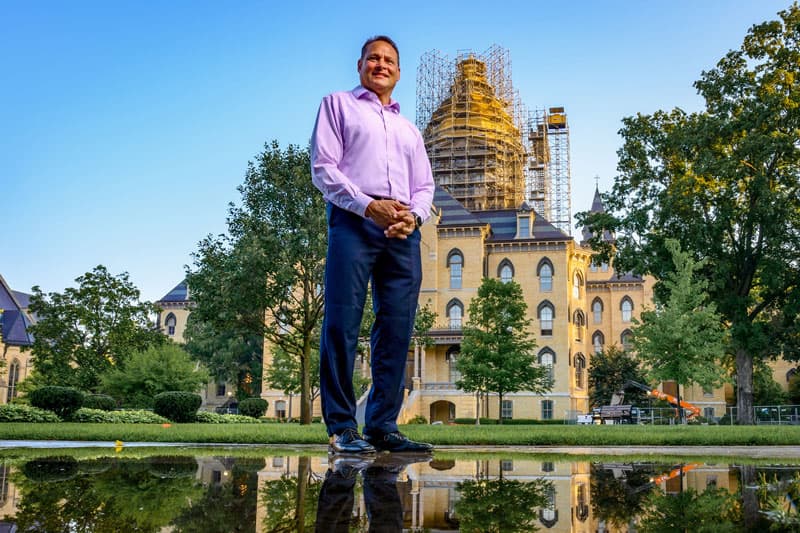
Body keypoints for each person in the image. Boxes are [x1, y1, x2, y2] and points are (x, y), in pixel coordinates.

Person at [311, 35, 435, 455]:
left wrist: (412, 217)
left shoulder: (409, 129)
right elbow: (323, 168)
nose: (381, 65)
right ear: (360, 64)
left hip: (402, 230)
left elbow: (424, 186)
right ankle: (343, 427)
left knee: (397, 328)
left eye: (389, 60)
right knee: (342, 323)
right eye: (373, 58)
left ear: (398, 72)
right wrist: (368, 207)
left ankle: (383, 426)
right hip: (353, 221)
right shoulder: (337, 105)